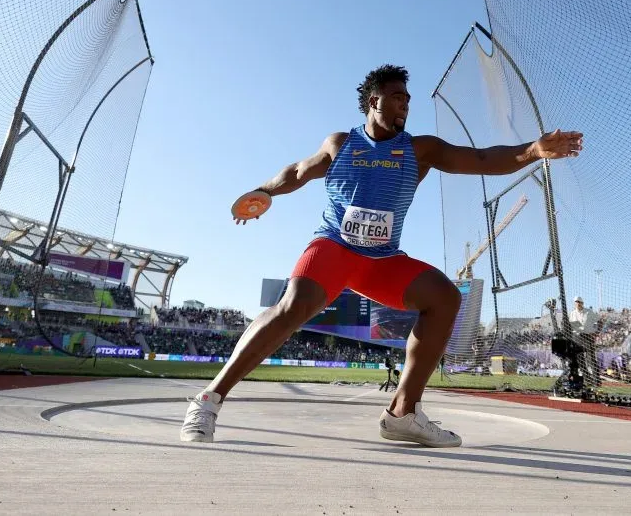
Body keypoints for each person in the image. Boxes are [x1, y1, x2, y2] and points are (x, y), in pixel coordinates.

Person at [179, 65, 582, 447]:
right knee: (294, 306)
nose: (406, 103)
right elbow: (298, 171)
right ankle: (208, 401)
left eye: (408, 98)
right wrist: (263, 191)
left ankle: (403, 415)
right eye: (396, 96)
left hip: (382, 260)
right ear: (374, 101)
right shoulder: (341, 143)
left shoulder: (420, 149)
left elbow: (478, 160)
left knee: (444, 297)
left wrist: (532, 150)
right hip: (334, 247)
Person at [570, 296, 600, 386]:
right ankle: (587, 379)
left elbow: (598, 320)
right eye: (576, 302)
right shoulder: (572, 313)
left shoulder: (589, 312)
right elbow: (571, 325)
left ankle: (596, 380)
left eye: (579, 302)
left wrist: (595, 332)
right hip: (577, 337)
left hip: (587, 336)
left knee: (591, 359)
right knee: (580, 360)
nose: (578, 303)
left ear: (582, 303)